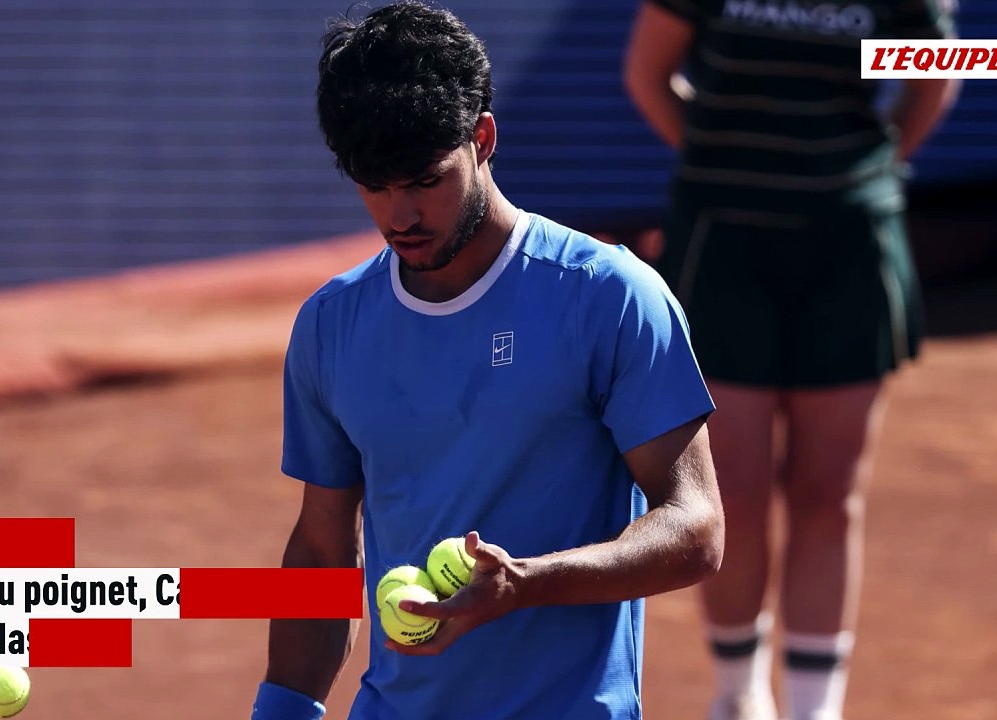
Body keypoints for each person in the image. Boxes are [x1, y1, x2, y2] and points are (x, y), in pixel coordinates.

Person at [250, 3, 726, 719]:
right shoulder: (331, 324)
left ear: (482, 138)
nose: (399, 214)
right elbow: (322, 550)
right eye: (374, 185)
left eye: (424, 179)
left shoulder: (608, 297)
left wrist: (527, 583)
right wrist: (279, 713)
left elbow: (694, 528)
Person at [624, 2, 961, 719]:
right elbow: (647, 73)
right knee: (736, 494)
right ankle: (739, 696)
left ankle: (815, 707)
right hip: (724, 248)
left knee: (829, 496)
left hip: (850, 247)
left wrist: (872, 164)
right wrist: (719, 158)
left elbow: (939, 68)